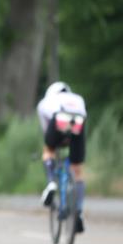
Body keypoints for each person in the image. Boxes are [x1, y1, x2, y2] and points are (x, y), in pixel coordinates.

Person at [37, 81, 88, 233]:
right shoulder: (78, 98)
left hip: (58, 117)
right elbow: (82, 120)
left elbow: (47, 129)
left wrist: (55, 144)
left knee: (48, 150)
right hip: (78, 121)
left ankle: (51, 182)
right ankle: (78, 210)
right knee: (77, 169)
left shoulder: (45, 102)